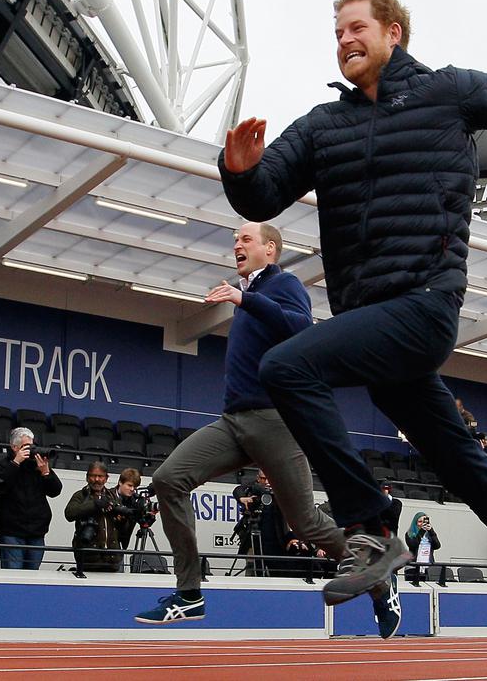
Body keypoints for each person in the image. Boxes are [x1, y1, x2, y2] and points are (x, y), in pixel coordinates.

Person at [218, 0, 487, 671]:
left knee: (287, 367)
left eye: (356, 28)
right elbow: (262, 194)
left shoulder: (447, 93)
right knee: (462, 465)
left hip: (423, 304)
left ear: (393, 32)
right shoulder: (324, 125)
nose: (344, 40)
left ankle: (371, 523)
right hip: (369, 320)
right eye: (336, 32)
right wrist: (237, 166)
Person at [136, 223, 394, 636]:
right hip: (234, 421)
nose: (237, 244)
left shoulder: (283, 284)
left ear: (270, 250)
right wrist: (245, 299)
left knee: (305, 522)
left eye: (246, 239)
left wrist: (245, 298)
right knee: (169, 479)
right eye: (235, 239)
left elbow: (301, 329)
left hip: (275, 421)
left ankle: (379, 577)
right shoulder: (250, 296)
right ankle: (189, 595)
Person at [0, 427, 62, 570]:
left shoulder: (37, 465)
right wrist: (16, 463)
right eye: (25, 447)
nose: (30, 450)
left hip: (37, 532)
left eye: (32, 446)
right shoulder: (2, 465)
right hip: (12, 532)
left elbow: (55, 491)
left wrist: (46, 473)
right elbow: (0, 486)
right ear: (14, 447)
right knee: (13, 577)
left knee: (33, 577)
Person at [64, 461, 125, 574]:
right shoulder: (80, 495)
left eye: (100, 476)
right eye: (93, 476)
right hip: (88, 559)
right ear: (87, 477)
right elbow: (69, 513)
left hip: (112, 560)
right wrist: (95, 504)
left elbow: (122, 527)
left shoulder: (112, 497)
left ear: (106, 478)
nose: (96, 479)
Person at [404, 512, 440, 582]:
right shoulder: (410, 533)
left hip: (428, 567)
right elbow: (413, 545)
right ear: (415, 522)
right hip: (413, 567)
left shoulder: (430, 534)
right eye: (420, 521)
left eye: (424, 522)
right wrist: (421, 532)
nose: (422, 524)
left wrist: (431, 531)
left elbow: (437, 546)